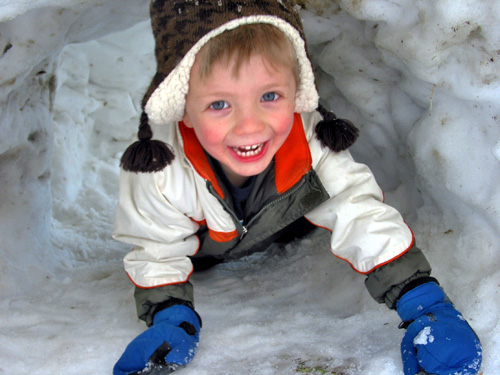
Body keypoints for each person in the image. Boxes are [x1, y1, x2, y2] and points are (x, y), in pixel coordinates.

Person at [112, 1, 482, 374]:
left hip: (282, 221)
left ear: (298, 91)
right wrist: (170, 315)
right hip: (204, 249)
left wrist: (424, 302)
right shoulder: (161, 167)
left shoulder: (310, 141)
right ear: (184, 109)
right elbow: (155, 244)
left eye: (269, 96)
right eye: (220, 103)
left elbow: (358, 211)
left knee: (315, 194)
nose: (249, 126)